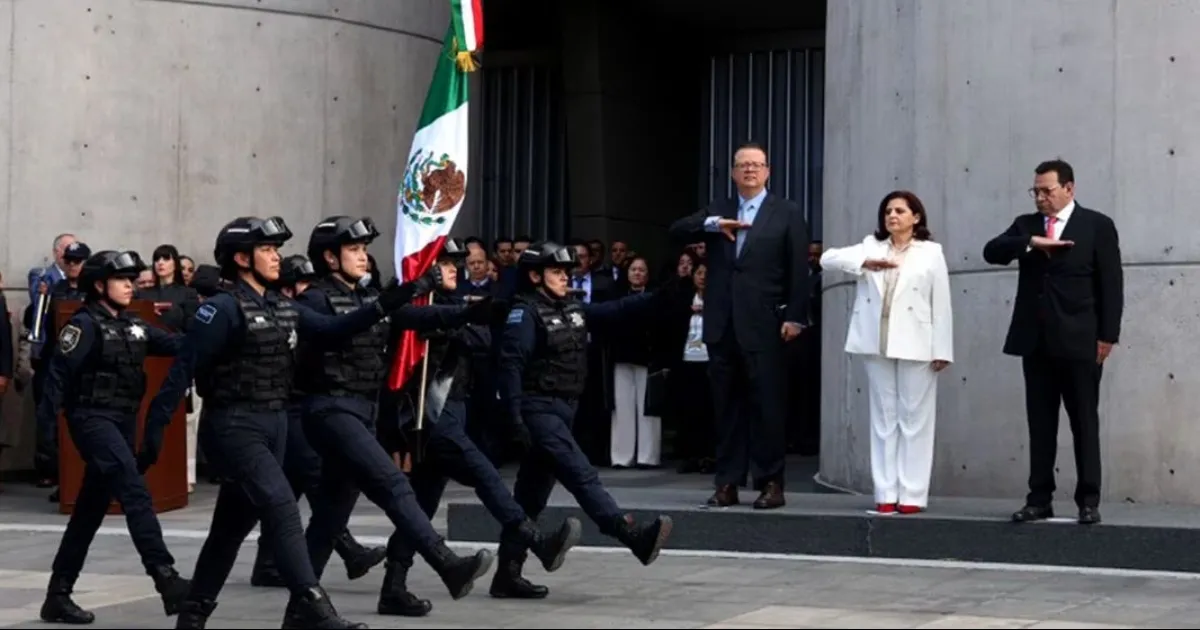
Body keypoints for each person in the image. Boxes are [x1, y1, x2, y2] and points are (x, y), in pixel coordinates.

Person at [140, 216, 426, 629]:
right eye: (267, 250)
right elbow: (181, 372)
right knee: (282, 509)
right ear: (241, 258)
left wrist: (390, 301)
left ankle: (192, 615)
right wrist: (154, 432)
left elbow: (332, 330)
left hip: (273, 424)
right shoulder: (221, 309)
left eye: (276, 249)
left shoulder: (280, 305)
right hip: (235, 427)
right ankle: (316, 610)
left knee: (229, 530)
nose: (277, 257)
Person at [293, 217, 495, 611]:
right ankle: (446, 562)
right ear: (330, 258)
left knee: (329, 519)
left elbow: (417, 319)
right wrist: (407, 291)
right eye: (354, 249)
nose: (363, 256)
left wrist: (471, 313)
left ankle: (302, 610)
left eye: (364, 249)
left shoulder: (365, 297)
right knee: (392, 483)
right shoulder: (312, 300)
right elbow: (336, 330)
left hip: (361, 411)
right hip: (330, 410)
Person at [383, 239, 581, 615]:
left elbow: (483, 338)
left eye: (459, 262)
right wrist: (453, 319)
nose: (456, 268)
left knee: (420, 507)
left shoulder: (453, 308)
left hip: (451, 409)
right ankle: (536, 541)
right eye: (446, 262)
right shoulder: (414, 306)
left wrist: (461, 321)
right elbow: (417, 328)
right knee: (485, 475)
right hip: (431, 414)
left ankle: (393, 585)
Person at [495, 241, 674, 598]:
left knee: (530, 498)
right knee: (581, 474)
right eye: (557, 272)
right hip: (538, 410)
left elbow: (616, 310)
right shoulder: (525, 314)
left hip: (564, 409)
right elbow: (510, 366)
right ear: (535, 276)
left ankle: (507, 574)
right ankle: (630, 535)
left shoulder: (571, 308)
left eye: (566, 272)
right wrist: (514, 417)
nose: (565, 278)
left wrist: (664, 294)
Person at [35, 250, 191, 624]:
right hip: (92, 420)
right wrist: (46, 444)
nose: (130, 285)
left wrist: (217, 329)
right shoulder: (83, 325)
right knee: (134, 490)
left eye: (132, 279)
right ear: (99, 284)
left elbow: (176, 344)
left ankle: (58, 595)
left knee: (89, 512)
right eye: (122, 279)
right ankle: (165, 577)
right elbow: (55, 378)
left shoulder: (131, 324)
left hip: (122, 422)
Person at [667, 141, 810, 510]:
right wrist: (713, 225)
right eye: (742, 165)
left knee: (767, 407)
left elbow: (798, 270)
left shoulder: (787, 212)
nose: (749, 170)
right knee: (727, 408)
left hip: (766, 324)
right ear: (733, 173)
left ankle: (770, 483)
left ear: (767, 171)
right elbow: (676, 230)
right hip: (722, 324)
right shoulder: (719, 210)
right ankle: (727, 482)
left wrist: (795, 316)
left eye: (756, 165)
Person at [983, 159, 1124, 526]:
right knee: (1040, 424)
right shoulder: (1025, 226)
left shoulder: (1097, 225)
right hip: (1036, 341)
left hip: (1081, 341)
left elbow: (1111, 284)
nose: (1041, 198)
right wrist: (1030, 243)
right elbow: (992, 251)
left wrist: (1108, 335)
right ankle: (1039, 498)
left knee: (1083, 422)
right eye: (1036, 191)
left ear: (1069, 189)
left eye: (1047, 190)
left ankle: (1088, 500)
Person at [248, 253, 388, 588]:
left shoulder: (302, 313)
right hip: (288, 408)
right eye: (301, 284)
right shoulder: (282, 315)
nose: (308, 291)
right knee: (310, 477)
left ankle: (269, 562)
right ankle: (345, 549)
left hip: (301, 404)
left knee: (291, 486)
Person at [819, 191, 954, 514]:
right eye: (888, 211)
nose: (892, 216)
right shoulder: (871, 247)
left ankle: (912, 494)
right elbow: (827, 258)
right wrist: (864, 262)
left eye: (900, 211)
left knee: (914, 419)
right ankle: (885, 493)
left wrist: (942, 348)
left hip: (918, 342)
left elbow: (942, 303)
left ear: (916, 217)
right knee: (883, 420)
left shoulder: (931, 253)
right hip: (875, 342)